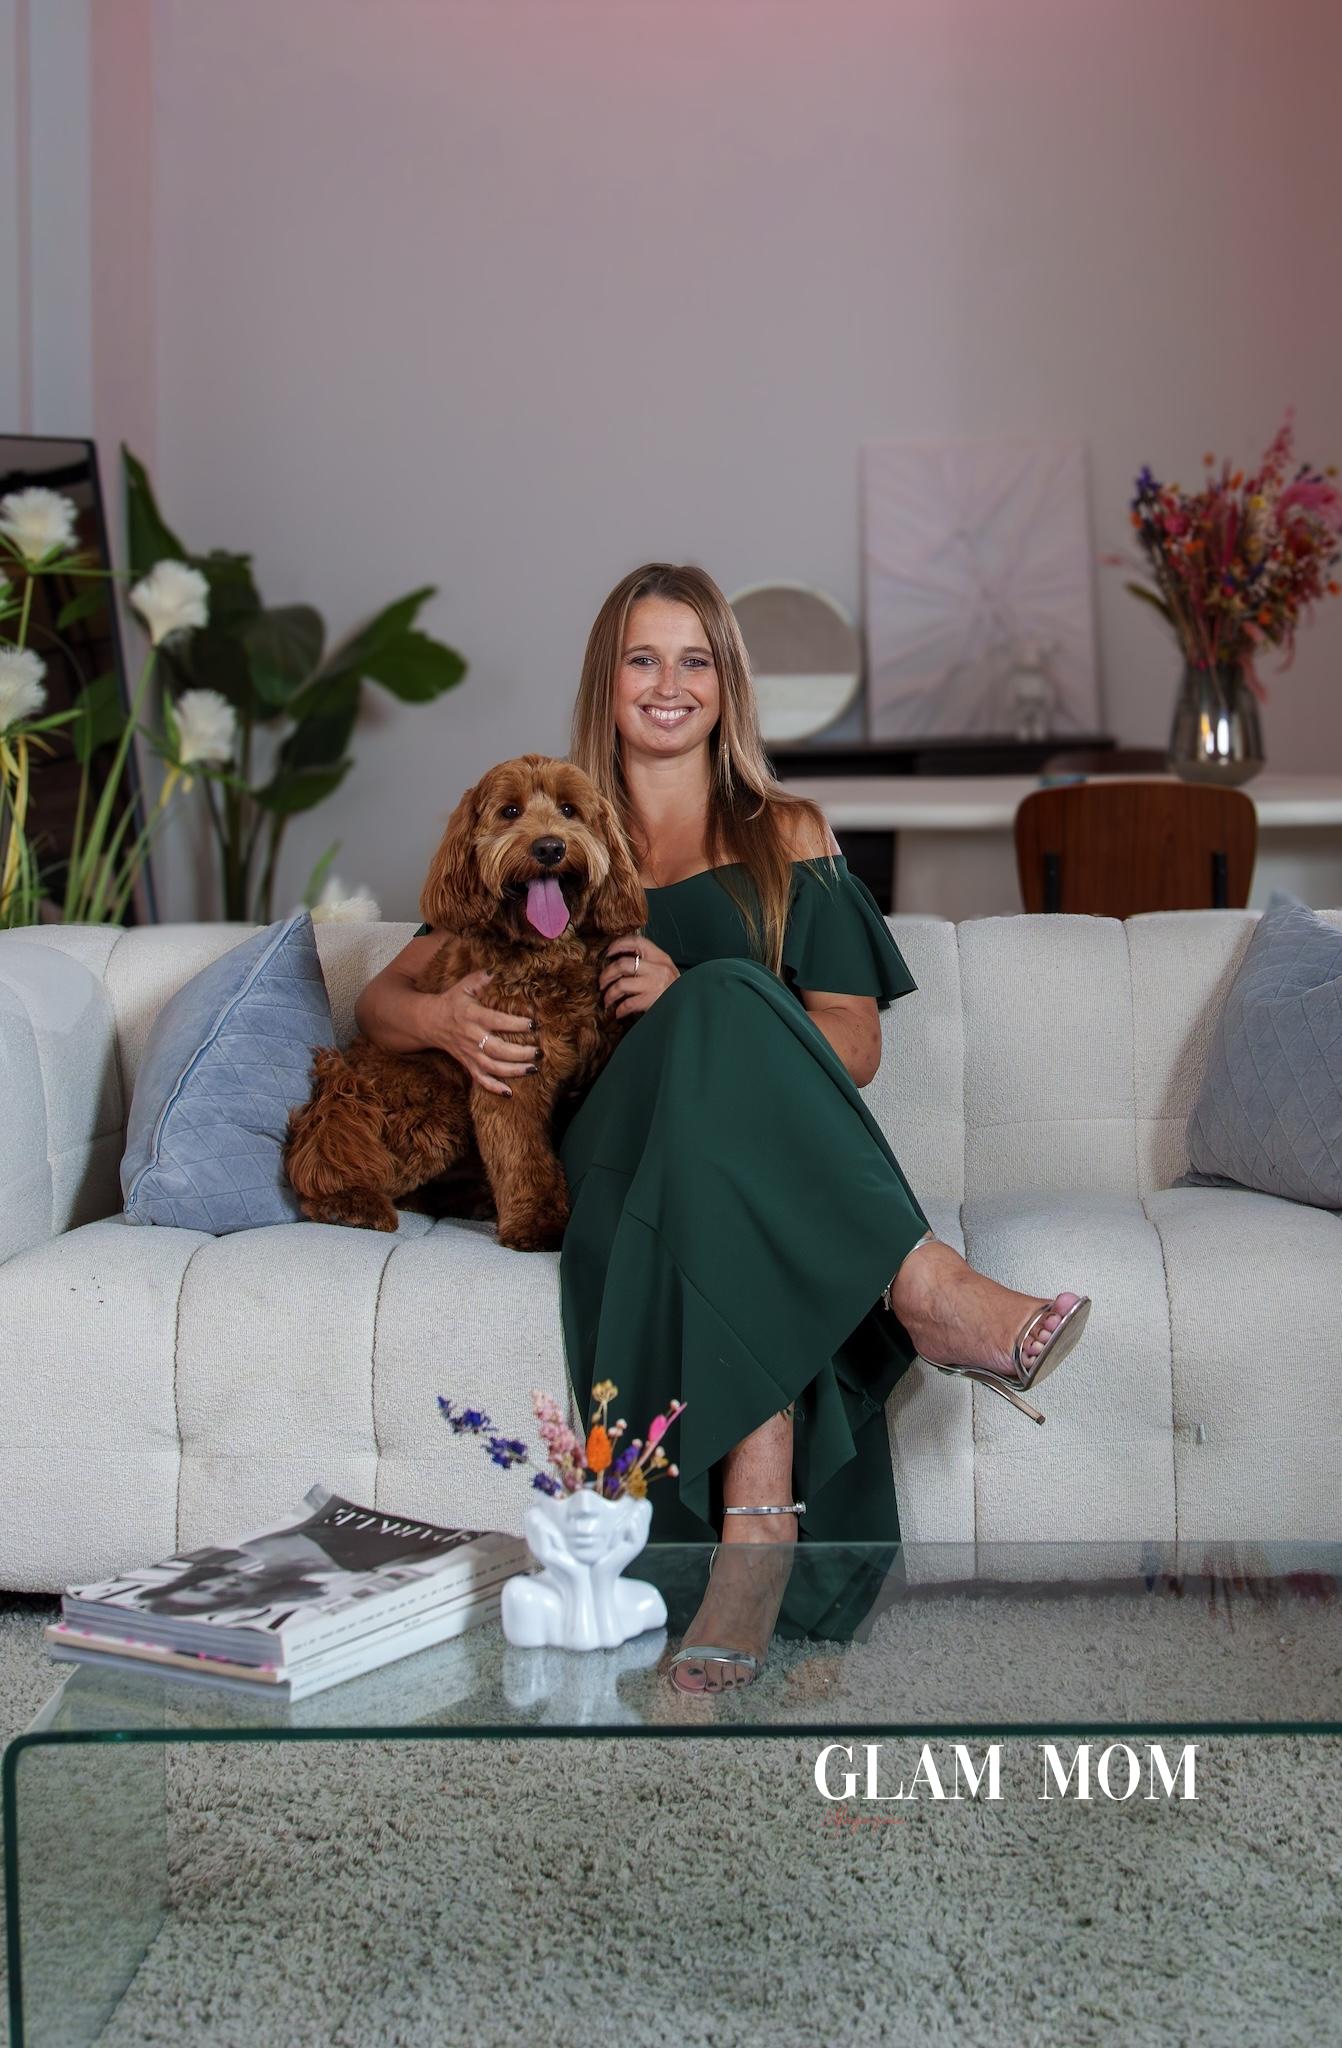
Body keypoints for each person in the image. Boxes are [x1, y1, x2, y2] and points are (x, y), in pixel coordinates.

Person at [353, 562, 1093, 1692]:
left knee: (725, 1013)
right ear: (607, 682)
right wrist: (443, 1019)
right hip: (613, 1159)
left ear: (727, 681)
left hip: (722, 1171)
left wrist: (695, 991)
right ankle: (928, 1287)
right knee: (726, 1001)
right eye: (643, 660)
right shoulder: (559, 823)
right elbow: (378, 1001)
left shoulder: (787, 830)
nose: (669, 684)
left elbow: (854, 1045)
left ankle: (755, 1536)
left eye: (694, 660)